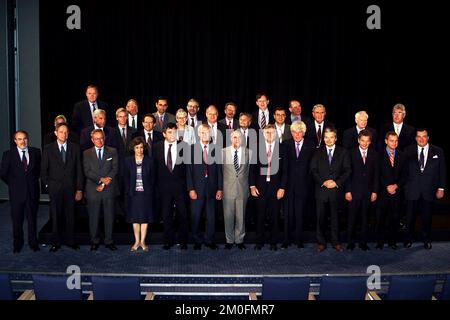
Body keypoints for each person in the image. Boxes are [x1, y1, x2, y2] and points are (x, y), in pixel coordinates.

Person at [41, 122, 83, 252]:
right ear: (55, 133)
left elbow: (79, 170)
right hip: (55, 189)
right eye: (61, 132)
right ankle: (56, 242)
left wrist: (79, 189)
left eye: (66, 132)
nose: (63, 134)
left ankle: (71, 241)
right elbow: (43, 170)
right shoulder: (48, 148)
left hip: (71, 189)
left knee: (71, 216)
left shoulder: (75, 148)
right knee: (55, 216)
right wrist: (48, 185)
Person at [404, 129, 446, 249]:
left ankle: (426, 239)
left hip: (429, 190)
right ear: (415, 138)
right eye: (419, 136)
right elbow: (403, 171)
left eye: (424, 136)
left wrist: (441, 188)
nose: (421, 139)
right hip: (412, 190)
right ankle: (408, 239)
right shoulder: (408, 150)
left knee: (427, 217)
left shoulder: (438, 151)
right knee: (410, 217)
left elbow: (442, 171)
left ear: (428, 137)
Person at [310, 127, 351, 252]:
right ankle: (321, 242)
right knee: (320, 218)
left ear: (336, 138)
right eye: (326, 137)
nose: (328, 139)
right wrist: (323, 182)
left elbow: (347, 170)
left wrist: (336, 182)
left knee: (335, 218)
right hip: (321, 190)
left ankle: (336, 242)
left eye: (331, 137)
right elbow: (313, 170)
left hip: (336, 190)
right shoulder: (317, 151)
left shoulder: (343, 152)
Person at [0, 131, 41, 253]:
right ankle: (17, 244)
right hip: (16, 194)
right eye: (19, 139)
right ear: (15, 141)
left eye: (24, 139)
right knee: (17, 221)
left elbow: (38, 171)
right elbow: (3, 173)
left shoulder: (36, 152)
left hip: (32, 193)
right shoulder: (8, 154)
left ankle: (33, 243)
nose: (22, 141)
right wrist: (14, 184)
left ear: (27, 139)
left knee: (32, 220)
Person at [249, 124, 287, 251]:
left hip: (276, 188)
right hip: (260, 187)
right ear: (263, 134)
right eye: (267, 133)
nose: (270, 135)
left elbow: (285, 171)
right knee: (259, 215)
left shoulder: (282, 148)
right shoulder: (256, 148)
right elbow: (252, 170)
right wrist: (252, 186)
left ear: (276, 134)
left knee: (274, 216)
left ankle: (273, 242)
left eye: (272, 132)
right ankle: (259, 241)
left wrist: (282, 187)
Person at [152, 123, 189, 250]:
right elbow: (154, 168)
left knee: (182, 215)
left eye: (175, 132)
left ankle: (183, 241)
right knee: (166, 215)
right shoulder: (156, 147)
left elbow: (188, 169)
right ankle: (168, 240)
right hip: (163, 188)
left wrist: (188, 187)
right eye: (169, 132)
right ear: (164, 134)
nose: (173, 134)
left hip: (180, 188)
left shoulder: (184, 146)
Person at [187, 124, 223, 250]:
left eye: (207, 132)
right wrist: (190, 188)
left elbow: (219, 170)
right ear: (198, 134)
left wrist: (220, 188)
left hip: (212, 188)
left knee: (211, 217)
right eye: (202, 132)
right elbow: (189, 170)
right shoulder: (191, 149)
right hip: (196, 189)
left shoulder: (216, 149)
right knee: (196, 216)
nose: (205, 135)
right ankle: (197, 240)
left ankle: (209, 240)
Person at [83, 129, 118, 251]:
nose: (100, 140)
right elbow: (87, 171)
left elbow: (115, 169)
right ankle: (94, 241)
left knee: (109, 216)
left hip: (109, 188)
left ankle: (109, 241)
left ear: (105, 138)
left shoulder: (112, 151)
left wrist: (105, 181)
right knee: (93, 216)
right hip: (93, 189)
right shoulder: (86, 153)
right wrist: (100, 180)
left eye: (101, 137)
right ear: (92, 140)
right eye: (97, 138)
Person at [282, 121, 315, 249]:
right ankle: (286, 240)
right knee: (288, 214)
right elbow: (283, 167)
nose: (297, 134)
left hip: (304, 185)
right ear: (291, 132)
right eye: (295, 132)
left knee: (300, 214)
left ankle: (299, 240)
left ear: (304, 133)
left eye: (300, 132)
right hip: (288, 185)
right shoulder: (286, 144)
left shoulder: (311, 145)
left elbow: (312, 167)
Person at [345, 129, 379, 251]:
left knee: (365, 218)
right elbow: (347, 174)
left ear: (370, 142)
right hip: (353, 192)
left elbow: (376, 174)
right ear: (358, 140)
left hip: (368, 192)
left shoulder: (374, 154)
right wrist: (347, 191)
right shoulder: (350, 153)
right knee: (352, 218)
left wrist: (375, 191)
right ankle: (350, 242)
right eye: (362, 140)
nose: (364, 143)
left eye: (367, 141)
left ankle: (363, 242)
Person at [375, 131, 407, 250]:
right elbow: (377, 174)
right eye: (391, 140)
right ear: (386, 141)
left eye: (396, 141)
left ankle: (392, 241)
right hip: (383, 192)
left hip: (397, 193)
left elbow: (405, 175)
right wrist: (387, 186)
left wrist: (396, 186)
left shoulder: (402, 155)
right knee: (380, 218)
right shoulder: (378, 155)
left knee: (395, 218)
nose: (394, 143)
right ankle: (380, 242)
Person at [222, 130, 251, 250]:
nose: (236, 140)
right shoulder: (223, 152)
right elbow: (220, 171)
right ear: (230, 138)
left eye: (239, 137)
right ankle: (229, 240)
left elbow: (249, 171)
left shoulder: (249, 152)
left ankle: (239, 240)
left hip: (242, 189)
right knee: (228, 216)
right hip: (227, 189)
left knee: (241, 216)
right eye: (234, 137)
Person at [124, 137, 154, 252]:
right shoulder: (127, 161)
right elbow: (125, 178)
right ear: (133, 149)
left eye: (141, 147)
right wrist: (128, 191)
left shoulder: (150, 161)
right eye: (137, 148)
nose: (139, 150)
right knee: (135, 219)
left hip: (146, 194)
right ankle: (136, 241)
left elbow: (153, 178)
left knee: (144, 218)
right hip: (133, 194)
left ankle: (143, 241)